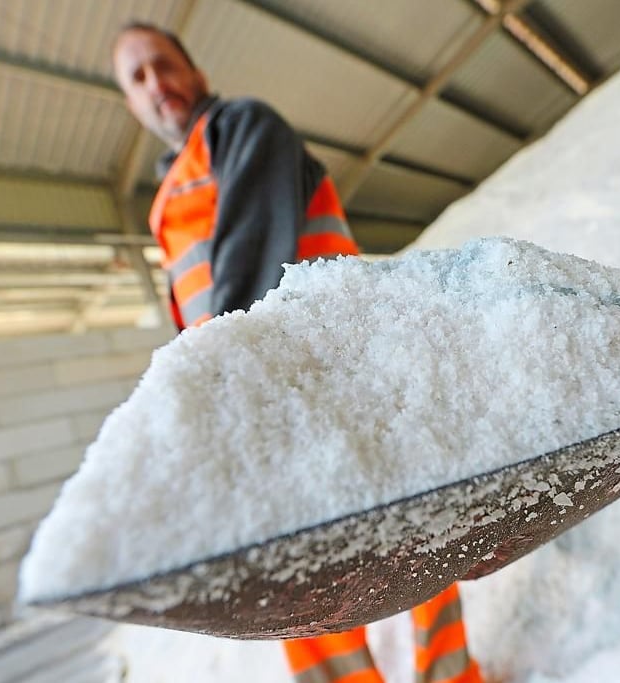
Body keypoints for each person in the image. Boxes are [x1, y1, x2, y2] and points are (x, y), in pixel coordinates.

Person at [112, 22, 483, 683]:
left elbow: (253, 254)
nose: (155, 83)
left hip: (327, 372)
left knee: (409, 528)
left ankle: (451, 676)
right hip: (257, 394)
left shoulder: (244, 127)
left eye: (163, 65)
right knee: (295, 570)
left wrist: (218, 388)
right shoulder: (169, 194)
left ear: (194, 73)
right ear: (130, 106)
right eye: (136, 78)